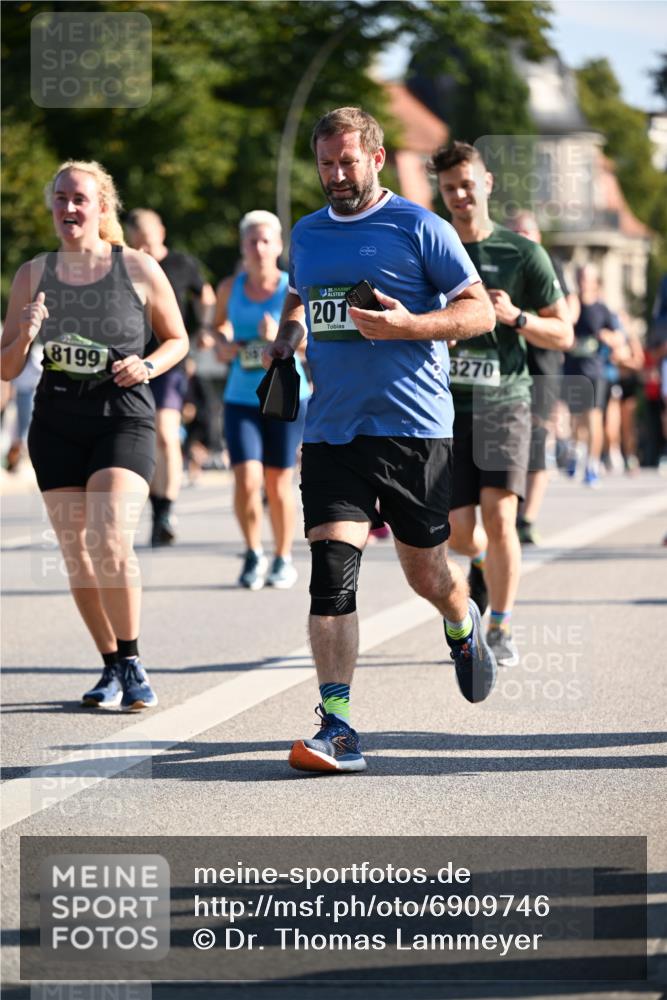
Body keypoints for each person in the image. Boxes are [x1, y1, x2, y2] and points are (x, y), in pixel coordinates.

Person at [265, 107, 498, 774]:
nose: (335, 175)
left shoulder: (418, 227)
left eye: (347, 162)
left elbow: (476, 310)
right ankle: (336, 724)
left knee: (426, 571)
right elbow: (297, 290)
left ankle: (461, 621)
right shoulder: (306, 234)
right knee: (331, 575)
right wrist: (288, 335)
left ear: (376, 158)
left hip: (411, 430)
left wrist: (408, 326)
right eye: (325, 164)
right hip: (334, 430)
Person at [0, 160, 189, 710]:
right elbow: (8, 368)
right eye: (60, 199)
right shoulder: (33, 275)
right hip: (57, 423)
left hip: (123, 417)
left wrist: (148, 367)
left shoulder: (137, 268)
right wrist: (27, 334)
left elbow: (176, 339)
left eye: (80, 199)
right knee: (76, 552)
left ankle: (131, 659)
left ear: (102, 207)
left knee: (109, 539)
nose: (69, 209)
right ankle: (109, 663)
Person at [430, 142, 573, 666]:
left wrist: (517, 318)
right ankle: (486, 565)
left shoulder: (522, 253)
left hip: (505, 402)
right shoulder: (433, 248)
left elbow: (564, 332)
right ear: (442, 194)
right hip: (446, 407)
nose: (461, 195)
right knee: (462, 533)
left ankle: (501, 625)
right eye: (450, 189)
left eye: (467, 184)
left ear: (486, 183)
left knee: (500, 514)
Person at [215, 211, 310, 590]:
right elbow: (216, 326)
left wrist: (281, 338)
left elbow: (310, 339)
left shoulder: (293, 287)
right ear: (243, 247)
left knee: (277, 481)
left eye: (265, 241)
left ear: (279, 246)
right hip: (241, 396)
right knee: (246, 478)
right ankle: (253, 553)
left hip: (285, 395)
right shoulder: (229, 287)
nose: (258, 248)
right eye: (251, 241)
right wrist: (222, 342)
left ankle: (283, 557)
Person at [125, 208, 216, 546]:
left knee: (165, 432)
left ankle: (166, 509)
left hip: (168, 361)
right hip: (128, 360)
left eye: (151, 236)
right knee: (142, 439)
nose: (146, 244)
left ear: (161, 231)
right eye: (140, 239)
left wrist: (205, 327)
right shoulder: (125, 264)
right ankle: (157, 506)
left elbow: (205, 294)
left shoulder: (181, 263)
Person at [507, 211, 579, 544]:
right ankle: (507, 508)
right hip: (508, 362)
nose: (521, 236)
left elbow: (570, 309)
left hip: (544, 360)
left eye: (526, 231)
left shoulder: (548, 264)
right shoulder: (501, 265)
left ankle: (527, 518)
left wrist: (539, 322)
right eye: (516, 232)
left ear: (537, 235)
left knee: (538, 436)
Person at [562, 264, 621, 487]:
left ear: (596, 282)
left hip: (595, 371)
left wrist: (608, 337)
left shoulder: (602, 309)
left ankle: (592, 465)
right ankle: (576, 451)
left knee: (594, 418)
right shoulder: (571, 304)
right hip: (573, 370)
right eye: (579, 277)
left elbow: (619, 338)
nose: (582, 281)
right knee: (577, 419)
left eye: (586, 278)